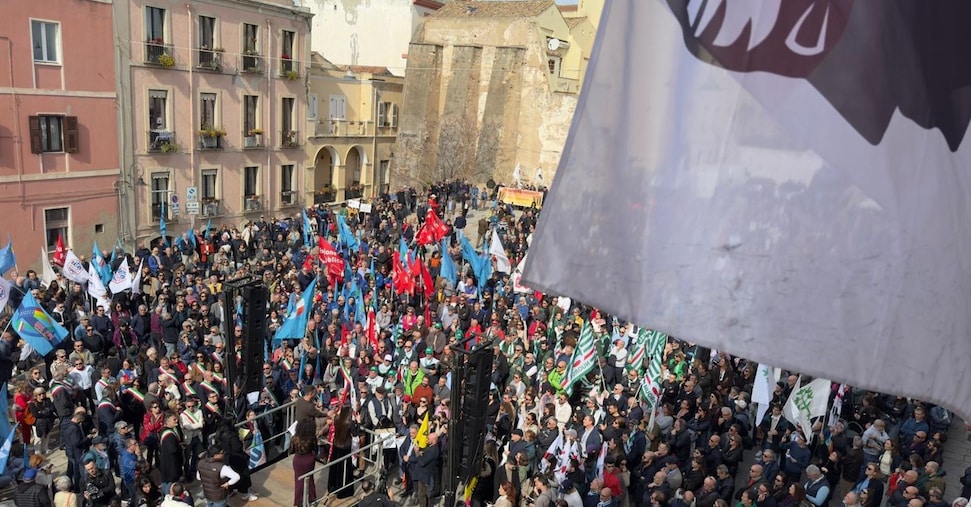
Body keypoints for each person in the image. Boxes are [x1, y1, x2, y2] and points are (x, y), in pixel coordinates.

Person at [291, 418, 318, 507]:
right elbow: (315, 450)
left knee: (298, 482)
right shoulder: (312, 438)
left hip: (298, 460)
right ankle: (312, 500)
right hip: (309, 460)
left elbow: (291, 450)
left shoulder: (295, 438)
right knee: (310, 479)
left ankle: (297, 503)